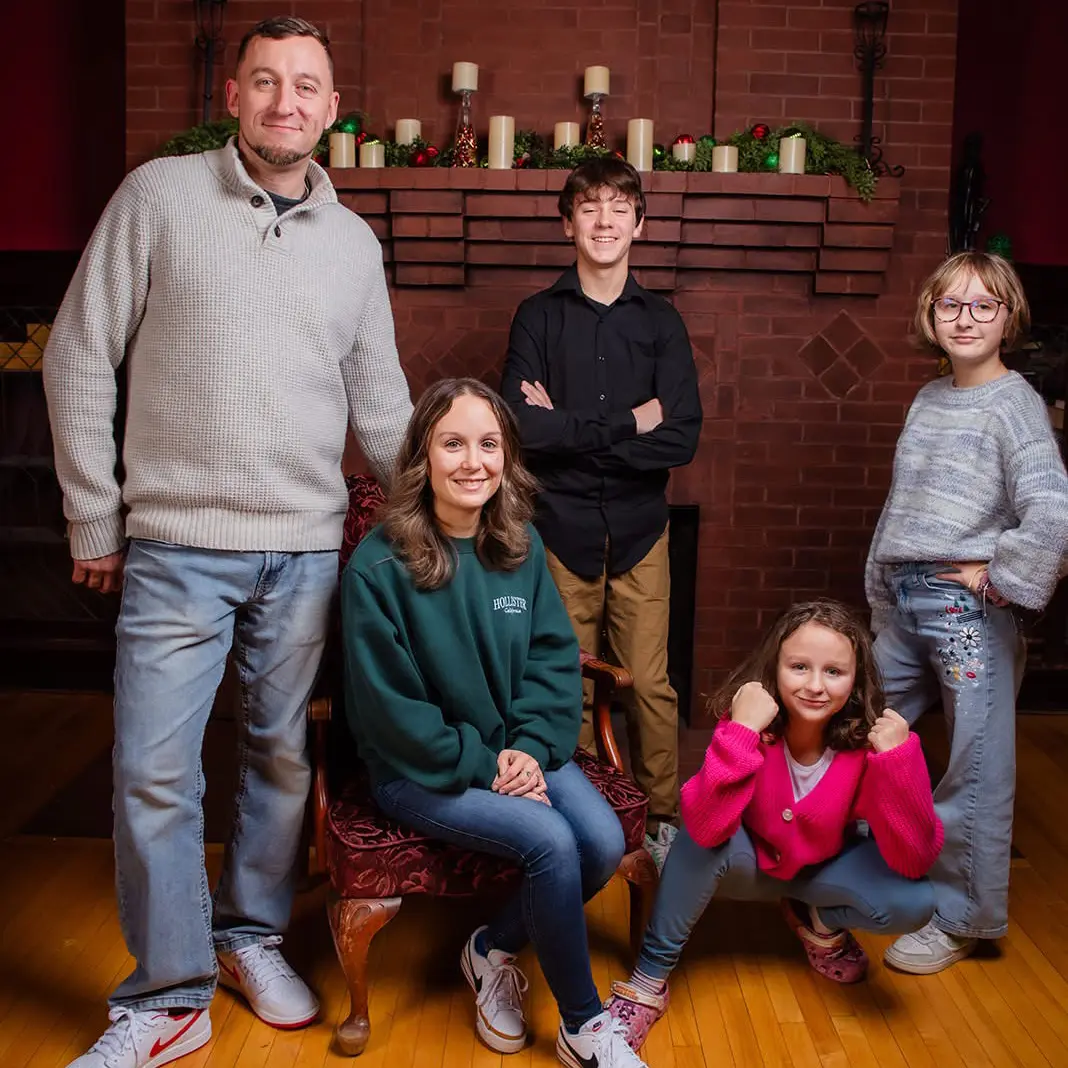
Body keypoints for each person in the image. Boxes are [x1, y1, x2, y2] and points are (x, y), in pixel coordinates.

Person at [45, 17, 412, 1068]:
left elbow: (381, 406)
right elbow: (77, 353)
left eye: (306, 86)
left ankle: (248, 936)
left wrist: (454, 514)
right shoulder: (158, 197)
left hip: (303, 550)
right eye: (265, 81)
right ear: (234, 95)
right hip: (174, 544)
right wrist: (93, 513)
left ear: (333, 111)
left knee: (278, 758)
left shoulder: (355, 245)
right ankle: (167, 997)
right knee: (153, 772)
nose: (284, 101)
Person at [342, 378, 647, 1068]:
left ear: (507, 456)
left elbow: (553, 662)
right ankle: (585, 1028)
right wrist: (490, 767)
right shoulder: (378, 566)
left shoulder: (518, 544)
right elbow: (393, 716)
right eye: (453, 443)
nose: (472, 461)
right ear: (423, 454)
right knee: (549, 839)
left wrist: (531, 751)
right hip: (421, 770)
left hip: (519, 753)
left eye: (489, 444)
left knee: (599, 839)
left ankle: (491, 949)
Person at [604, 601, 943, 1051]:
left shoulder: (875, 743)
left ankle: (816, 919)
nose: (816, 687)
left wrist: (899, 762)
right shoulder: (752, 726)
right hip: (745, 866)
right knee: (698, 840)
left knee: (916, 900)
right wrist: (740, 731)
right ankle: (649, 981)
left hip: (821, 871)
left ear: (856, 680)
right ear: (774, 668)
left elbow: (914, 858)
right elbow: (703, 827)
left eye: (834, 672)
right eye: (799, 667)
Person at [866, 251, 1068, 975]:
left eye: (984, 305)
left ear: (1009, 316)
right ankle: (856, 867)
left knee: (975, 768)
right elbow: (905, 504)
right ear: (931, 315)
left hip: (967, 614)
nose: (966, 318)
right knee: (858, 720)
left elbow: (1051, 509)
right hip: (909, 599)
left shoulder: (1015, 403)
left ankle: (965, 919)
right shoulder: (930, 397)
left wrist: (1001, 577)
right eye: (952, 304)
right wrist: (882, 588)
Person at [500, 157, 702, 867]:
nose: (606, 219)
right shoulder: (538, 316)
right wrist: (626, 424)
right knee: (567, 680)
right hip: (559, 529)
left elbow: (682, 435)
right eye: (590, 207)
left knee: (649, 682)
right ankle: (589, 819)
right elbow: (522, 428)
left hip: (643, 530)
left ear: (639, 224)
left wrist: (576, 428)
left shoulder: (663, 322)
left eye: (620, 207)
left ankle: (662, 818)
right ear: (567, 223)